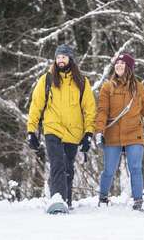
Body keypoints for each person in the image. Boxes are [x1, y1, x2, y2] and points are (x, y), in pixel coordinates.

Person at [26, 44, 96, 209]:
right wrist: (31, 130)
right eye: (58, 57)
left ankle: (67, 201)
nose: (60, 60)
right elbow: (36, 105)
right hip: (52, 128)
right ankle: (57, 200)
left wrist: (88, 134)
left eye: (64, 57)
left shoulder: (82, 82)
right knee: (57, 163)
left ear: (70, 59)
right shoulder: (47, 79)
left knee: (68, 167)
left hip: (73, 131)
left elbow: (89, 109)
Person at [95, 53, 144, 211]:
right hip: (112, 134)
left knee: (135, 168)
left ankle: (138, 201)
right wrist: (99, 131)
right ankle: (103, 198)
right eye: (117, 63)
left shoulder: (138, 86)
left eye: (122, 63)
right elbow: (102, 111)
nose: (118, 66)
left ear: (129, 67)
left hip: (134, 133)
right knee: (109, 170)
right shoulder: (107, 87)